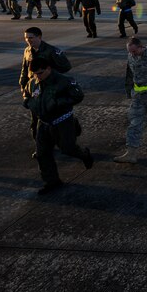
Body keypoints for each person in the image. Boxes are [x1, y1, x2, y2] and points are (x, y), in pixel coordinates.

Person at [22, 57, 93, 194]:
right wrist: (28, 102)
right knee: (42, 154)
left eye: (40, 73)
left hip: (62, 121)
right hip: (43, 123)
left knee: (68, 149)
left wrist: (58, 102)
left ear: (48, 68)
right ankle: (52, 181)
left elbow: (78, 96)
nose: (37, 76)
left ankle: (84, 155)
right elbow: (26, 93)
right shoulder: (33, 82)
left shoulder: (63, 81)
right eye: (35, 74)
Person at [20, 27, 72, 159]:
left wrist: (51, 74)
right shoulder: (27, 51)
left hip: (50, 91)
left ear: (39, 37)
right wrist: (23, 84)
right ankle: (41, 148)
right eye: (26, 38)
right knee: (35, 121)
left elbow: (66, 66)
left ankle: (65, 142)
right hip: (35, 90)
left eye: (31, 37)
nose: (28, 40)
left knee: (53, 120)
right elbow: (25, 69)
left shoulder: (51, 51)